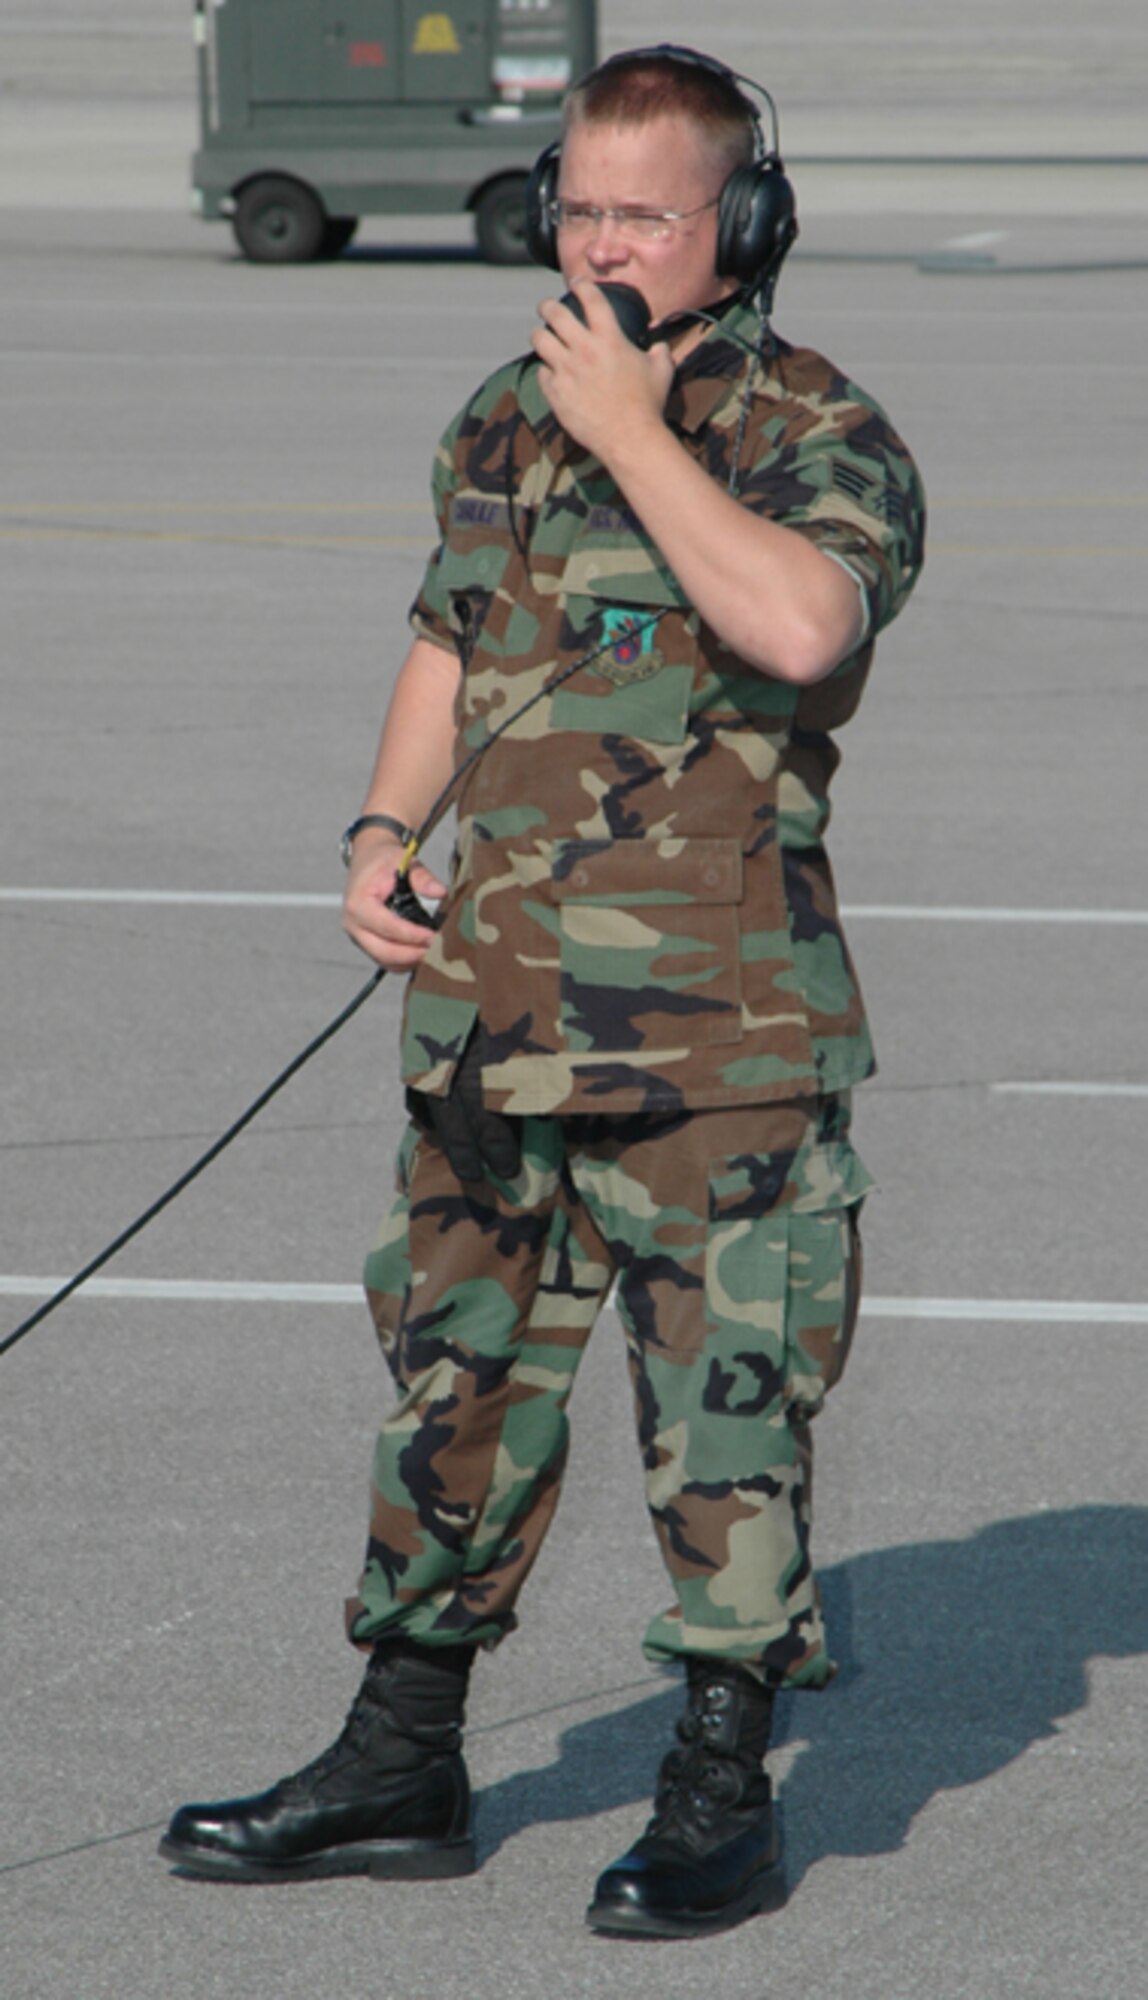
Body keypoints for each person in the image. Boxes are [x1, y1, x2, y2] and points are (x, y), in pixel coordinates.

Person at [160, 45, 925, 1937]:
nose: (593, 242)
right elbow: (445, 635)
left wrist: (642, 434)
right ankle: (402, 1755)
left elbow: (805, 625)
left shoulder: (808, 424)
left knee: (724, 1422)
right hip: (486, 1024)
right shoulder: (506, 417)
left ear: (739, 226)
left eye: (640, 212)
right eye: (575, 203)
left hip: (715, 1049)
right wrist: (377, 828)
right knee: (452, 1391)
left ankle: (720, 1787)